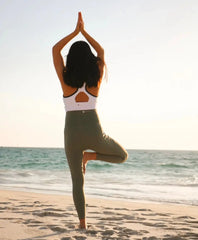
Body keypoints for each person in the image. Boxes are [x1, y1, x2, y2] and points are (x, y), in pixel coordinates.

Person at [52, 12, 128, 229]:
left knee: (77, 181)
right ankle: (91, 156)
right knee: (122, 156)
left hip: (72, 133)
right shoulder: (96, 81)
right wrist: (84, 32)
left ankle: (83, 223)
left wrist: (75, 32)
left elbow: (55, 50)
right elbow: (101, 52)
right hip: (94, 131)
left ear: (70, 60)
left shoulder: (65, 80)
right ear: (90, 60)